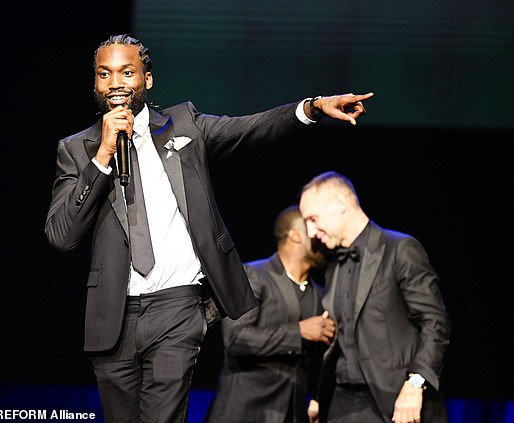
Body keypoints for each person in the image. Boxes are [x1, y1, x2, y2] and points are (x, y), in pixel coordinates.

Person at [44, 33, 373, 423]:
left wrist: (313, 108)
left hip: (176, 307)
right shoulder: (77, 148)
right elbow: (62, 235)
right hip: (112, 314)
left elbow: (251, 128)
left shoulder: (184, 126)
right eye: (105, 74)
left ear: (146, 80)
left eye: (127, 72)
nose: (116, 82)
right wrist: (101, 157)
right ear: (95, 83)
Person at [297, 171, 452, 423]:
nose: (310, 231)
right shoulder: (334, 265)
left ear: (340, 205)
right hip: (341, 404)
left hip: (394, 401)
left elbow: (435, 322)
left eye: (313, 219)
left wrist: (415, 383)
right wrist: (319, 396)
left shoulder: (400, 249)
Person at [204, 205, 336, 423]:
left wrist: (319, 398)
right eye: (312, 228)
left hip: (292, 413)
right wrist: (299, 331)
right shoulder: (253, 276)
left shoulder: (321, 294)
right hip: (245, 410)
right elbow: (236, 339)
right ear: (294, 235)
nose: (321, 236)